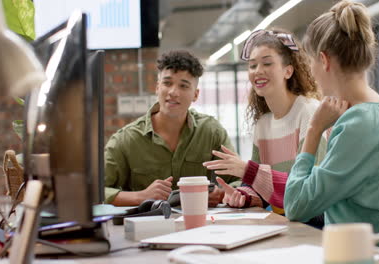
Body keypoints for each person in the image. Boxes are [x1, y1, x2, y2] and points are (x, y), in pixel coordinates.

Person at [283, 1, 379, 262]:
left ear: (323, 60)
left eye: (311, 61)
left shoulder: (360, 124)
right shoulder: (378, 112)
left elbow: (296, 205)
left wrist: (313, 131)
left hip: (378, 255)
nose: (311, 72)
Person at [203, 28, 326, 221]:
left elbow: (307, 189)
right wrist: (243, 195)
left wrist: (248, 171)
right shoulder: (262, 124)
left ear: (288, 70)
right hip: (282, 222)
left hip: (314, 223)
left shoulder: (309, 111)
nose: (258, 71)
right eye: (252, 66)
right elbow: (258, 189)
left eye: (267, 63)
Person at [104, 50, 236, 207]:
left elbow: (238, 180)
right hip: (147, 229)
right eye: (167, 83)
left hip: (199, 226)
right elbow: (95, 192)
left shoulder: (211, 132)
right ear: (157, 87)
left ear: (195, 94)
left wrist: (221, 195)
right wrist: (140, 197)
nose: (173, 92)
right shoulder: (126, 139)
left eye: (183, 86)